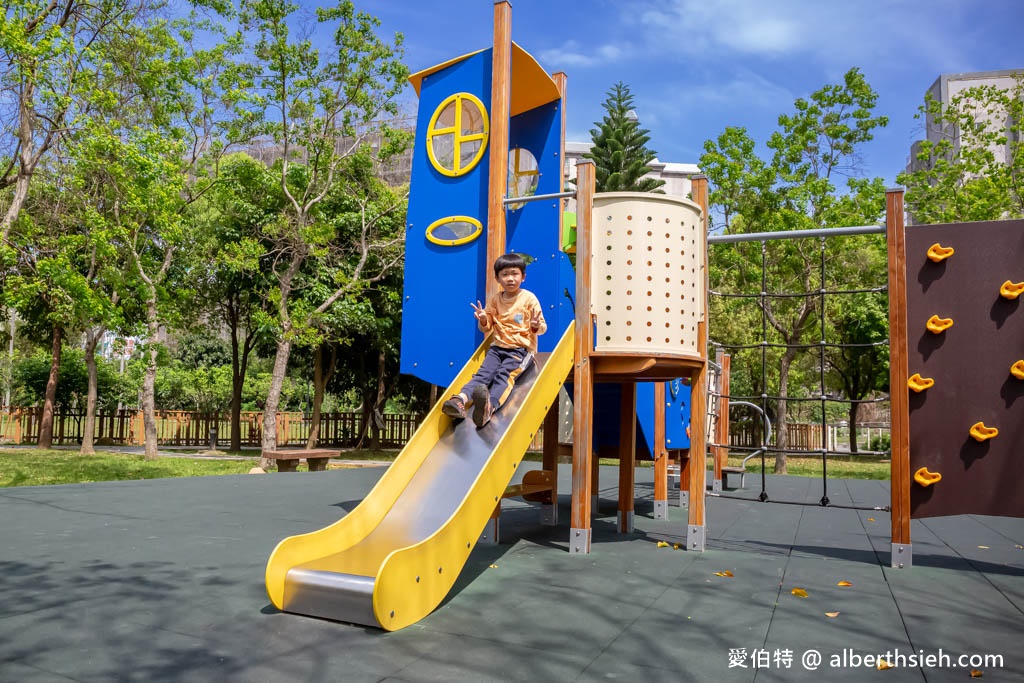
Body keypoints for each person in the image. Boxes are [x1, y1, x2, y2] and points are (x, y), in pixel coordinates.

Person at [442, 252, 547, 428]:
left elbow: (542, 327)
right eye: (505, 275)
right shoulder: (496, 299)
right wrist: (483, 318)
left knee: (503, 376)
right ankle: (460, 400)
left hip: (521, 350)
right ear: (498, 278)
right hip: (497, 348)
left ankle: (488, 407)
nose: (510, 278)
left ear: (523, 277)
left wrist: (535, 325)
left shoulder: (528, 298)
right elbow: (487, 326)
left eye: (515, 274)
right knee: (482, 375)